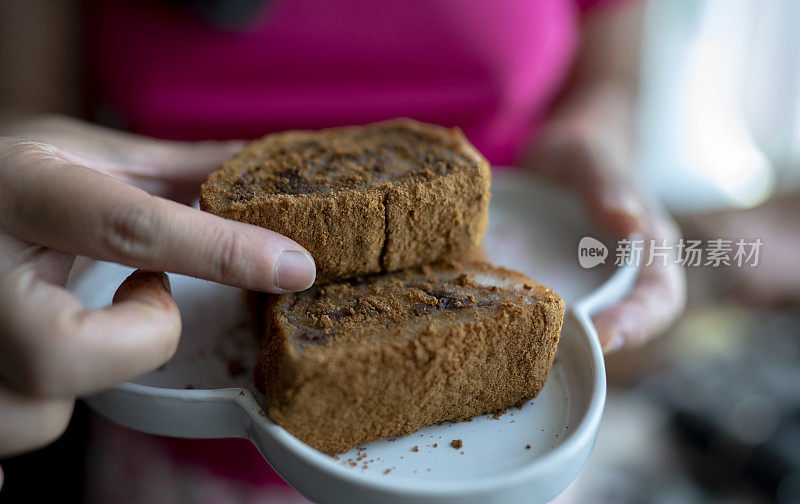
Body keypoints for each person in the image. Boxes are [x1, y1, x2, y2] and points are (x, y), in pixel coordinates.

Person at [0, 0, 685, 499]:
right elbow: (23, 107)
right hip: (170, 430)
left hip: (502, 463)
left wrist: (593, 146)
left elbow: (611, 80)